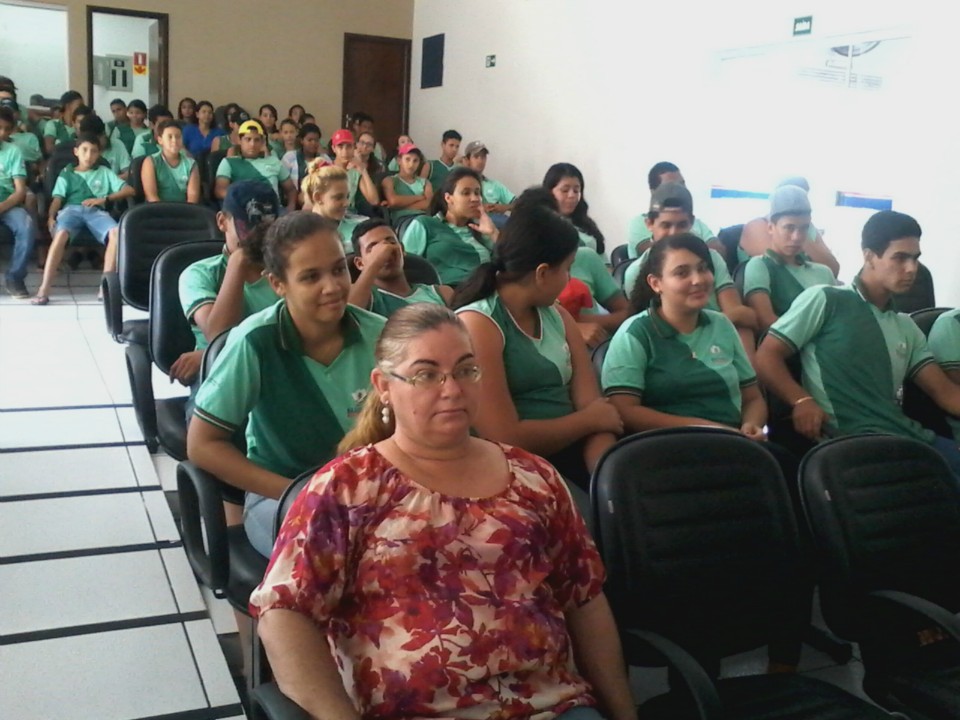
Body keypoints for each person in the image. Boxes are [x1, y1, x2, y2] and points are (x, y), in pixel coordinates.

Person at [250, 303, 637, 720]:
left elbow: (584, 601)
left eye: (466, 370)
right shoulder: (348, 487)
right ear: (383, 386)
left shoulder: (534, 477)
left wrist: (623, 712)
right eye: (426, 374)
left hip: (550, 707)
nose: (451, 389)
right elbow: (283, 616)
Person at [187, 212, 387, 557]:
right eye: (311, 277)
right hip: (280, 493)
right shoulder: (254, 341)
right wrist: (301, 491)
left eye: (339, 269)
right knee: (340, 555)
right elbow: (202, 445)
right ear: (277, 284)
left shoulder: (382, 335)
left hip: (369, 492)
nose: (333, 287)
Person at [756, 210, 960, 478]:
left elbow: (945, 393)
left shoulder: (906, 327)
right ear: (868, 256)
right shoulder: (825, 299)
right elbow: (766, 356)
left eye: (915, 258)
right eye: (900, 257)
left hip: (910, 437)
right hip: (854, 443)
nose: (912, 268)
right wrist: (801, 400)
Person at [454, 201, 623, 490]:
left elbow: (595, 409)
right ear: (542, 273)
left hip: (574, 455)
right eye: (567, 269)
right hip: (513, 471)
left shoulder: (557, 316)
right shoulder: (479, 324)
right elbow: (504, 436)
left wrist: (604, 479)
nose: (569, 279)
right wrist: (588, 422)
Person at [603, 233, 765, 438]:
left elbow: (753, 398)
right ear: (655, 283)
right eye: (682, 273)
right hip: (667, 448)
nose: (698, 280)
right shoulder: (635, 333)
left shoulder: (721, 324)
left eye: (703, 268)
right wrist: (706, 429)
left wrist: (752, 425)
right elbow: (625, 411)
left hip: (733, 441)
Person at [623, 183, 758, 356]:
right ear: (649, 223)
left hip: (719, 344)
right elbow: (646, 330)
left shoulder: (711, 258)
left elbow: (740, 314)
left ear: (692, 223)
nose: (674, 233)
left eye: (681, 225)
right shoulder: (636, 273)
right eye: (666, 225)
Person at [176, 181, 280, 392]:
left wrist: (204, 355)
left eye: (267, 230)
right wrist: (240, 260)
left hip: (277, 372)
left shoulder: (286, 271)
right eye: (248, 230)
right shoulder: (199, 274)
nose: (259, 240)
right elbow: (218, 335)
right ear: (222, 222)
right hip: (220, 376)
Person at [33, 132, 134, 305]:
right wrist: (50, 216)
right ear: (76, 152)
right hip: (71, 210)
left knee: (116, 233)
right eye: (85, 150)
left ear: (99, 154)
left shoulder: (104, 172)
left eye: (93, 151)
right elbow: (57, 199)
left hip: (96, 211)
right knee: (61, 234)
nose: (89, 155)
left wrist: (104, 199)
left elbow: (129, 190)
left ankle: (105, 287)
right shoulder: (67, 173)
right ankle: (44, 288)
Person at [522, 186, 628, 348]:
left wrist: (588, 322)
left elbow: (625, 313)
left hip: (596, 350)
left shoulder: (585, 257)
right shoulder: (515, 276)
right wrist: (572, 328)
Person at [743, 185, 838, 333]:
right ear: (770, 228)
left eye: (804, 228)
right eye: (789, 228)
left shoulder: (824, 272)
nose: (797, 237)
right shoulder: (760, 265)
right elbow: (766, 320)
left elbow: (837, 320)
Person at [401, 166, 498, 287]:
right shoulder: (425, 224)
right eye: (466, 193)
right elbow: (404, 267)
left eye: (477, 193)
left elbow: (511, 263)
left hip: (484, 291)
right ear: (448, 198)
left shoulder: (482, 230)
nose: (474, 199)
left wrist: (493, 233)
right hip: (446, 293)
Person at [348, 217, 453, 317]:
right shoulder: (366, 298)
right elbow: (348, 314)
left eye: (391, 242)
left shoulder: (441, 293)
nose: (386, 250)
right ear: (360, 263)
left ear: (402, 250)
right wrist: (376, 262)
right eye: (373, 248)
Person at [739, 177, 840, 276]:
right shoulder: (756, 226)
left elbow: (833, 269)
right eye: (788, 195)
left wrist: (802, 233)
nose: (796, 202)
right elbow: (780, 266)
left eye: (801, 196)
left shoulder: (809, 229)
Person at [626, 161, 718, 259]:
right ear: (653, 192)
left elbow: (717, 250)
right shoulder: (638, 223)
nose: (679, 190)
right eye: (666, 225)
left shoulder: (695, 222)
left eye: (682, 184)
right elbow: (655, 255)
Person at [215, 120, 297, 211]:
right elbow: (220, 191)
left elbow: (291, 189)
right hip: (244, 210)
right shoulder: (228, 162)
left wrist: (291, 207)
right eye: (248, 139)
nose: (252, 144)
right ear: (239, 140)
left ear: (262, 142)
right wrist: (242, 199)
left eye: (257, 140)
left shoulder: (274, 161)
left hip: (275, 211)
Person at [0, 105, 35, 299]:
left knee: (27, 225)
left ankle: (15, 277)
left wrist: (2, 207)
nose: (2, 133)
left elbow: (20, 191)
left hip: (8, 202)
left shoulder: (13, 151)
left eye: (6, 129)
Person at [301, 161, 367, 252]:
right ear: (318, 197)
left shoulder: (362, 226)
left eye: (347, 196)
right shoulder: (302, 234)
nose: (346, 203)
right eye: (338, 197)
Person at [141, 119, 200, 203]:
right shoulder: (150, 162)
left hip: (184, 211)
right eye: (170, 137)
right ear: (160, 140)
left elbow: (192, 199)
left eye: (178, 136)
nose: (174, 141)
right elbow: (151, 196)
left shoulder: (191, 164)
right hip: (156, 210)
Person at [462, 140, 515, 226]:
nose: (480, 161)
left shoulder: (494, 185)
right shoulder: (461, 185)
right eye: (476, 157)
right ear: (467, 160)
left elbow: (520, 204)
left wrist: (504, 207)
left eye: (483, 157)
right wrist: (480, 208)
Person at [328, 129, 379, 212]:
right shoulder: (326, 169)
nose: (345, 152)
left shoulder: (355, 172)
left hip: (350, 215)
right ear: (334, 148)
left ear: (354, 148)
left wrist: (363, 170)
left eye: (349, 147)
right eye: (340, 147)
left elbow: (374, 201)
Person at [381, 142, 432, 221]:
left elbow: (429, 204)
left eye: (415, 161)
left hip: (424, 218)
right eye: (407, 159)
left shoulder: (425, 183)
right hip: (403, 220)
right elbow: (394, 201)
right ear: (399, 160)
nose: (411, 164)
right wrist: (420, 197)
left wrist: (401, 207)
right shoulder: (389, 180)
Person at [280, 122, 323, 192]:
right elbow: (282, 182)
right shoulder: (289, 157)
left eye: (316, 140)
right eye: (310, 140)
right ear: (301, 140)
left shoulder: (324, 159)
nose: (313, 143)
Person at [43, 90, 83, 155]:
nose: (82, 108)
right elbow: (49, 148)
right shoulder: (53, 124)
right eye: (79, 105)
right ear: (68, 106)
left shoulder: (82, 125)